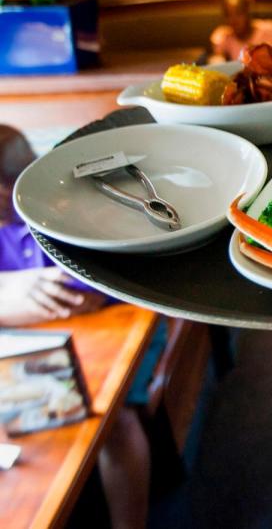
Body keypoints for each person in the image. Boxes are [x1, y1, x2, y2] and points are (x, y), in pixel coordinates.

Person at [0, 125, 159, 529]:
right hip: (32, 342)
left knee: (114, 418)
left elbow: (69, 293)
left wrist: (18, 300)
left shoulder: (55, 220)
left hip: (119, 326)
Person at [208, 0, 272, 63]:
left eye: (238, 13)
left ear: (248, 11)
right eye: (228, 15)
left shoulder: (270, 31)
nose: (233, 20)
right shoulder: (224, 37)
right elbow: (219, 64)